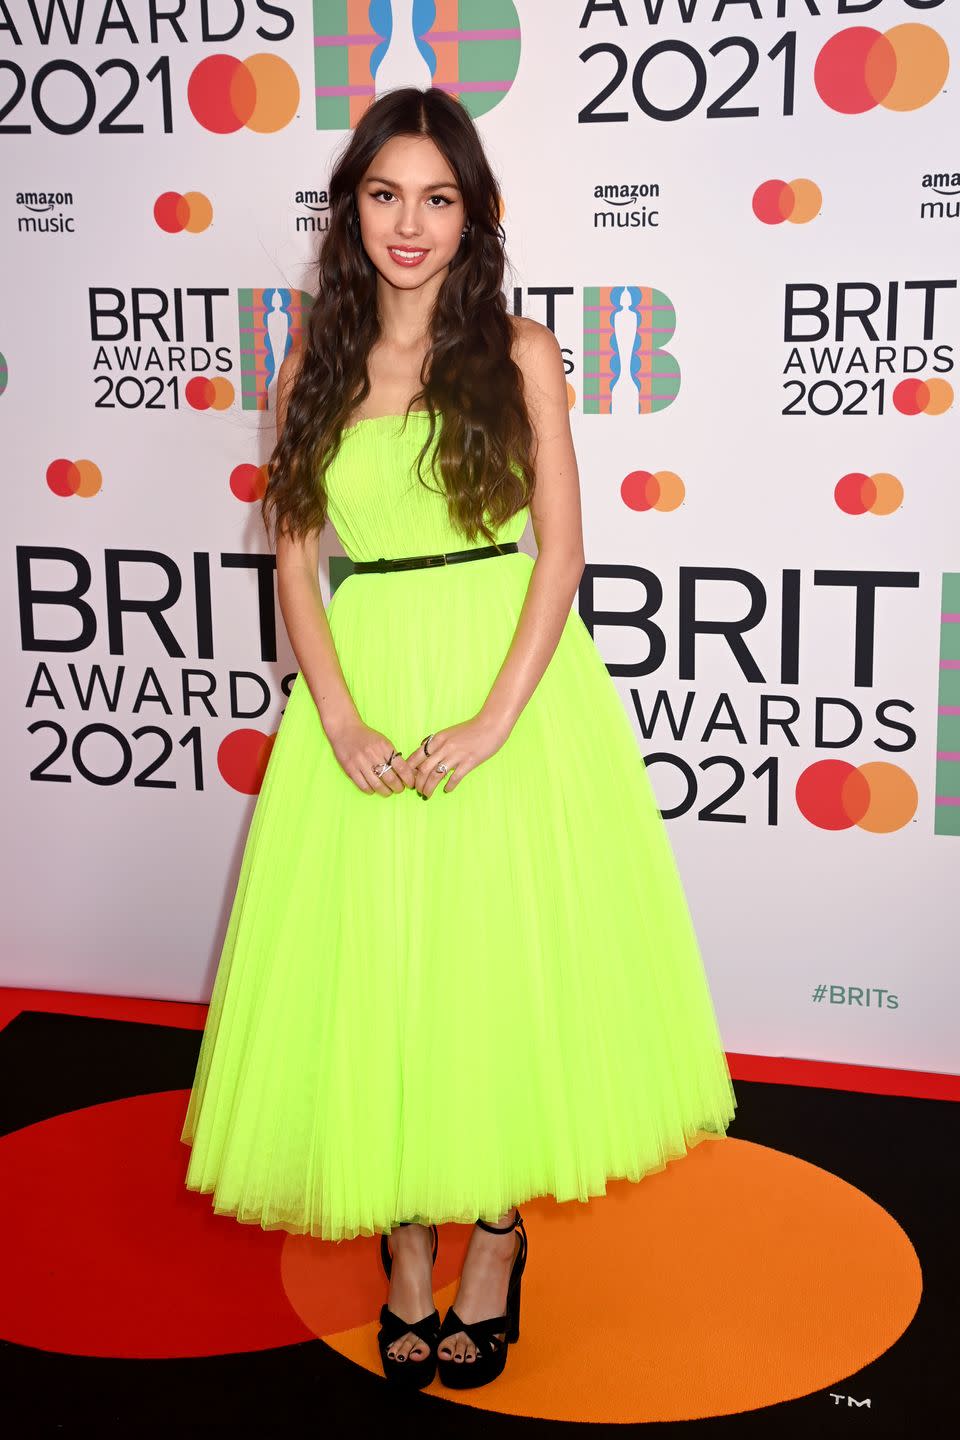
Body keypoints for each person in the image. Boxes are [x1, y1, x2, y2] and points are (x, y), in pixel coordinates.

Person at [180, 85, 737, 1392]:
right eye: (385, 194)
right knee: (385, 976)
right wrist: (342, 715)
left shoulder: (524, 351)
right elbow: (298, 567)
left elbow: (562, 558)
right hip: (364, 697)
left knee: (495, 970)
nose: (410, 223)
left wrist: (498, 716)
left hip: (510, 691)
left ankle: (494, 1240)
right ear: (351, 210)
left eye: (437, 196)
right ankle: (410, 1250)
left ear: (475, 211)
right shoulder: (313, 364)